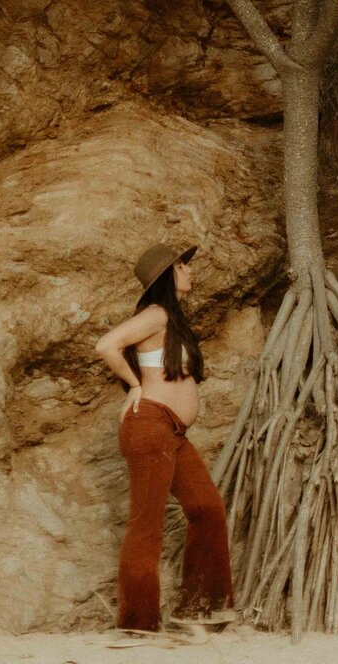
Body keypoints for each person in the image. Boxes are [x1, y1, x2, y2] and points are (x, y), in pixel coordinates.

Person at [95, 241, 233, 631]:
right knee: (146, 526)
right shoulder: (155, 314)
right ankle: (137, 624)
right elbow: (106, 345)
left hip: (171, 431)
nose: (190, 271)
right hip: (151, 427)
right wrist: (135, 386)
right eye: (183, 266)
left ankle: (198, 612)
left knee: (207, 509)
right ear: (169, 273)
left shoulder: (171, 320)